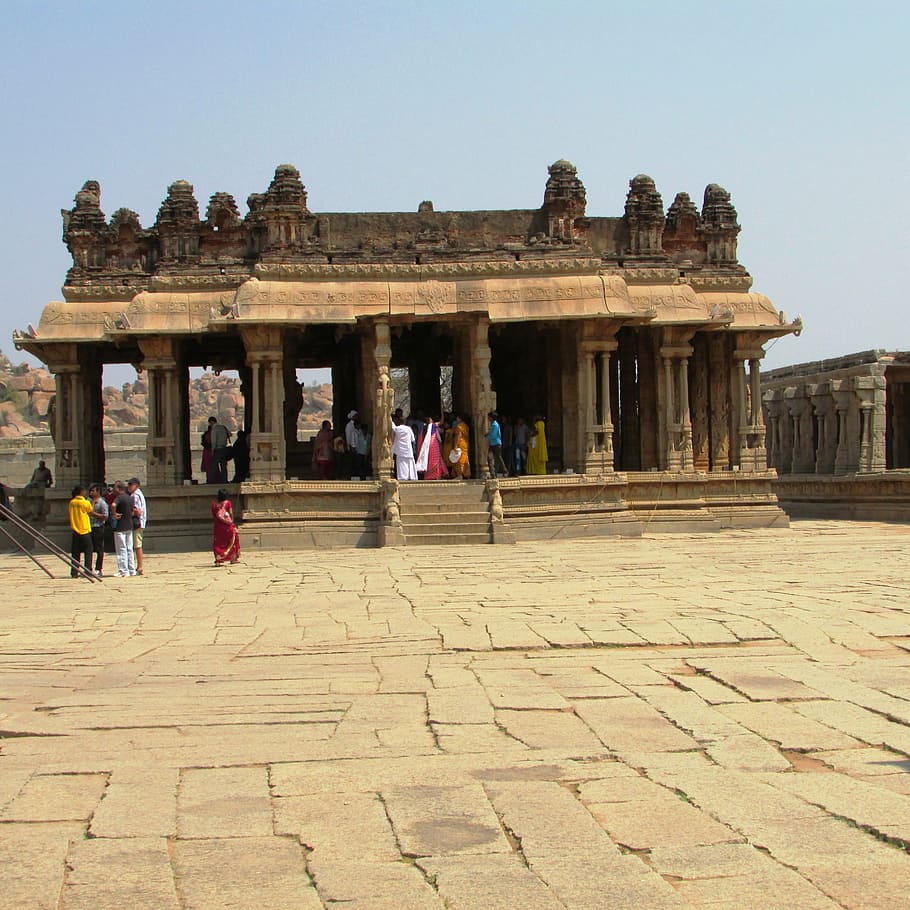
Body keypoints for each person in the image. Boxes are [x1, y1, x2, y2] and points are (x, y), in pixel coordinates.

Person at [111, 481, 136, 577]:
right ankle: (132, 569)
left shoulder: (119, 498)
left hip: (120, 526)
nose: (113, 490)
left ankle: (123, 570)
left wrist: (114, 514)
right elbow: (132, 511)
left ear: (118, 488)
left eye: (114, 488)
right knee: (129, 548)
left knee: (121, 548)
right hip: (129, 525)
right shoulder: (129, 498)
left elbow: (113, 505)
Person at [68, 485, 93, 579]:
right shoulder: (85, 502)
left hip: (75, 530)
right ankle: (88, 570)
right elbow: (90, 512)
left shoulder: (72, 502)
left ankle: (74, 571)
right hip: (84, 529)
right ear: (81, 492)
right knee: (88, 551)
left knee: (75, 552)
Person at [211, 489, 240, 566]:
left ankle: (218, 559)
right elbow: (230, 513)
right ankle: (233, 558)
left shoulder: (214, 505)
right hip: (227, 526)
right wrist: (232, 521)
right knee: (233, 540)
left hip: (218, 526)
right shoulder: (228, 503)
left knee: (218, 543)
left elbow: (214, 516)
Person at [127, 477, 147, 576]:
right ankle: (138, 566)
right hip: (139, 522)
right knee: (136, 545)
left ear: (136, 485)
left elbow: (138, 511)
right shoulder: (138, 494)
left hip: (137, 522)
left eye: (131, 485)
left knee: (137, 545)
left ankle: (140, 566)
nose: (129, 487)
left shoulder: (135, 495)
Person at [88, 484, 109, 577]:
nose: (91, 493)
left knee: (99, 549)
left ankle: (98, 568)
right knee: (89, 548)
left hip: (98, 527)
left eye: (93, 491)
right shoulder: (89, 501)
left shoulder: (102, 503)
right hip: (89, 527)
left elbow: (105, 516)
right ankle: (88, 568)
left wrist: (94, 514)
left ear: (98, 492)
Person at [390, 414, 417, 481]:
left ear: (399, 422)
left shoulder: (397, 429)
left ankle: (402, 477)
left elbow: (392, 426)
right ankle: (411, 476)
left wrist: (389, 417)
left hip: (400, 450)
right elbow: (413, 439)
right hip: (408, 449)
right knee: (409, 463)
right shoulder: (409, 429)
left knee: (401, 464)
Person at [486, 411, 509, 477]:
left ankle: (504, 470)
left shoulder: (495, 425)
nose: (488, 418)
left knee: (498, 458)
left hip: (496, 444)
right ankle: (493, 473)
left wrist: (487, 436)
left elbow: (493, 435)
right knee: (491, 458)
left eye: (489, 417)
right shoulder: (493, 424)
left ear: (492, 418)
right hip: (492, 444)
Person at [208, 417, 231, 484]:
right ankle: (224, 480)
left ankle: (213, 480)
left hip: (217, 449)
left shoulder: (214, 429)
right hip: (224, 448)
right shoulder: (223, 427)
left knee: (214, 465)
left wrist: (212, 451)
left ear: (211, 422)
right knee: (223, 465)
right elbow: (230, 434)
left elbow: (213, 442)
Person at [449, 413, 471, 480]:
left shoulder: (459, 426)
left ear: (460, 418)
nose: (456, 419)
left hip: (460, 445)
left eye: (457, 418)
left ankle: (460, 474)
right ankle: (467, 474)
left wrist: (455, 446)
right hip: (465, 445)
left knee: (459, 460)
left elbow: (458, 436)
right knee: (465, 460)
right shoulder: (466, 426)